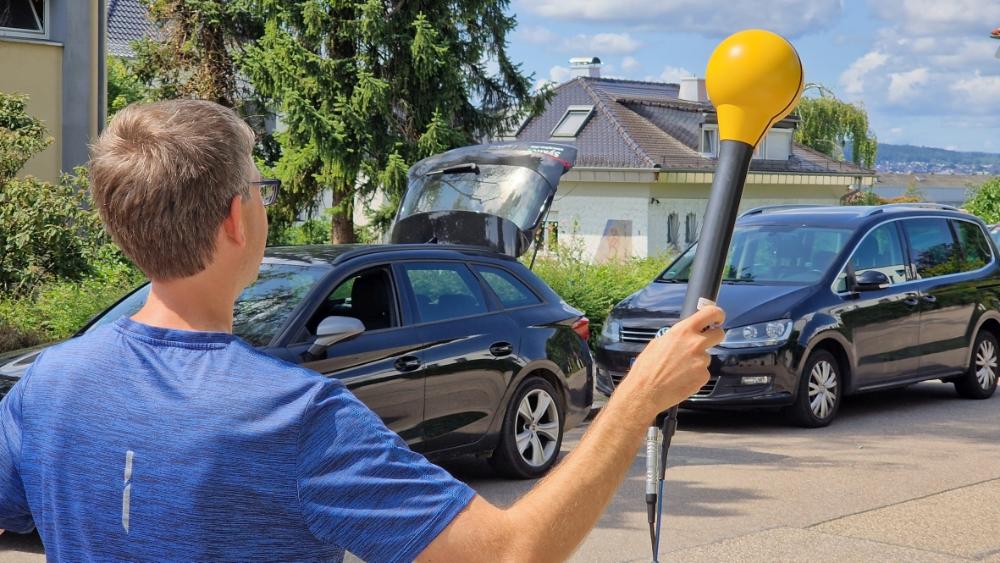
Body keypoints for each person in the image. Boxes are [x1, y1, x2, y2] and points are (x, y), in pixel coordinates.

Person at [0, 100, 724, 562]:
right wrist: (638, 398)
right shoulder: (289, 414)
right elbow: (511, 554)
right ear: (235, 219)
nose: (264, 203)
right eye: (259, 187)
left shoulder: (48, 384)